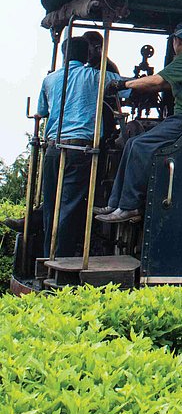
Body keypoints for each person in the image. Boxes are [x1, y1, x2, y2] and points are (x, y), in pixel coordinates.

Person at [95, 22, 182, 224]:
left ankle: (129, 207)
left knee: (139, 145)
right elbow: (163, 84)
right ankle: (116, 202)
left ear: (176, 40)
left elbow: (156, 81)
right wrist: (135, 84)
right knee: (131, 144)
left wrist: (122, 84)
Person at [35, 37, 122, 256]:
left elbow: (42, 111)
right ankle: (60, 262)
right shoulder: (97, 76)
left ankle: (47, 257)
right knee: (69, 207)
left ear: (64, 54)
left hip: (54, 148)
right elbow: (127, 87)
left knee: (51, 206)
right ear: (88, 56)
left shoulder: (50, 80)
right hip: (81, 150)